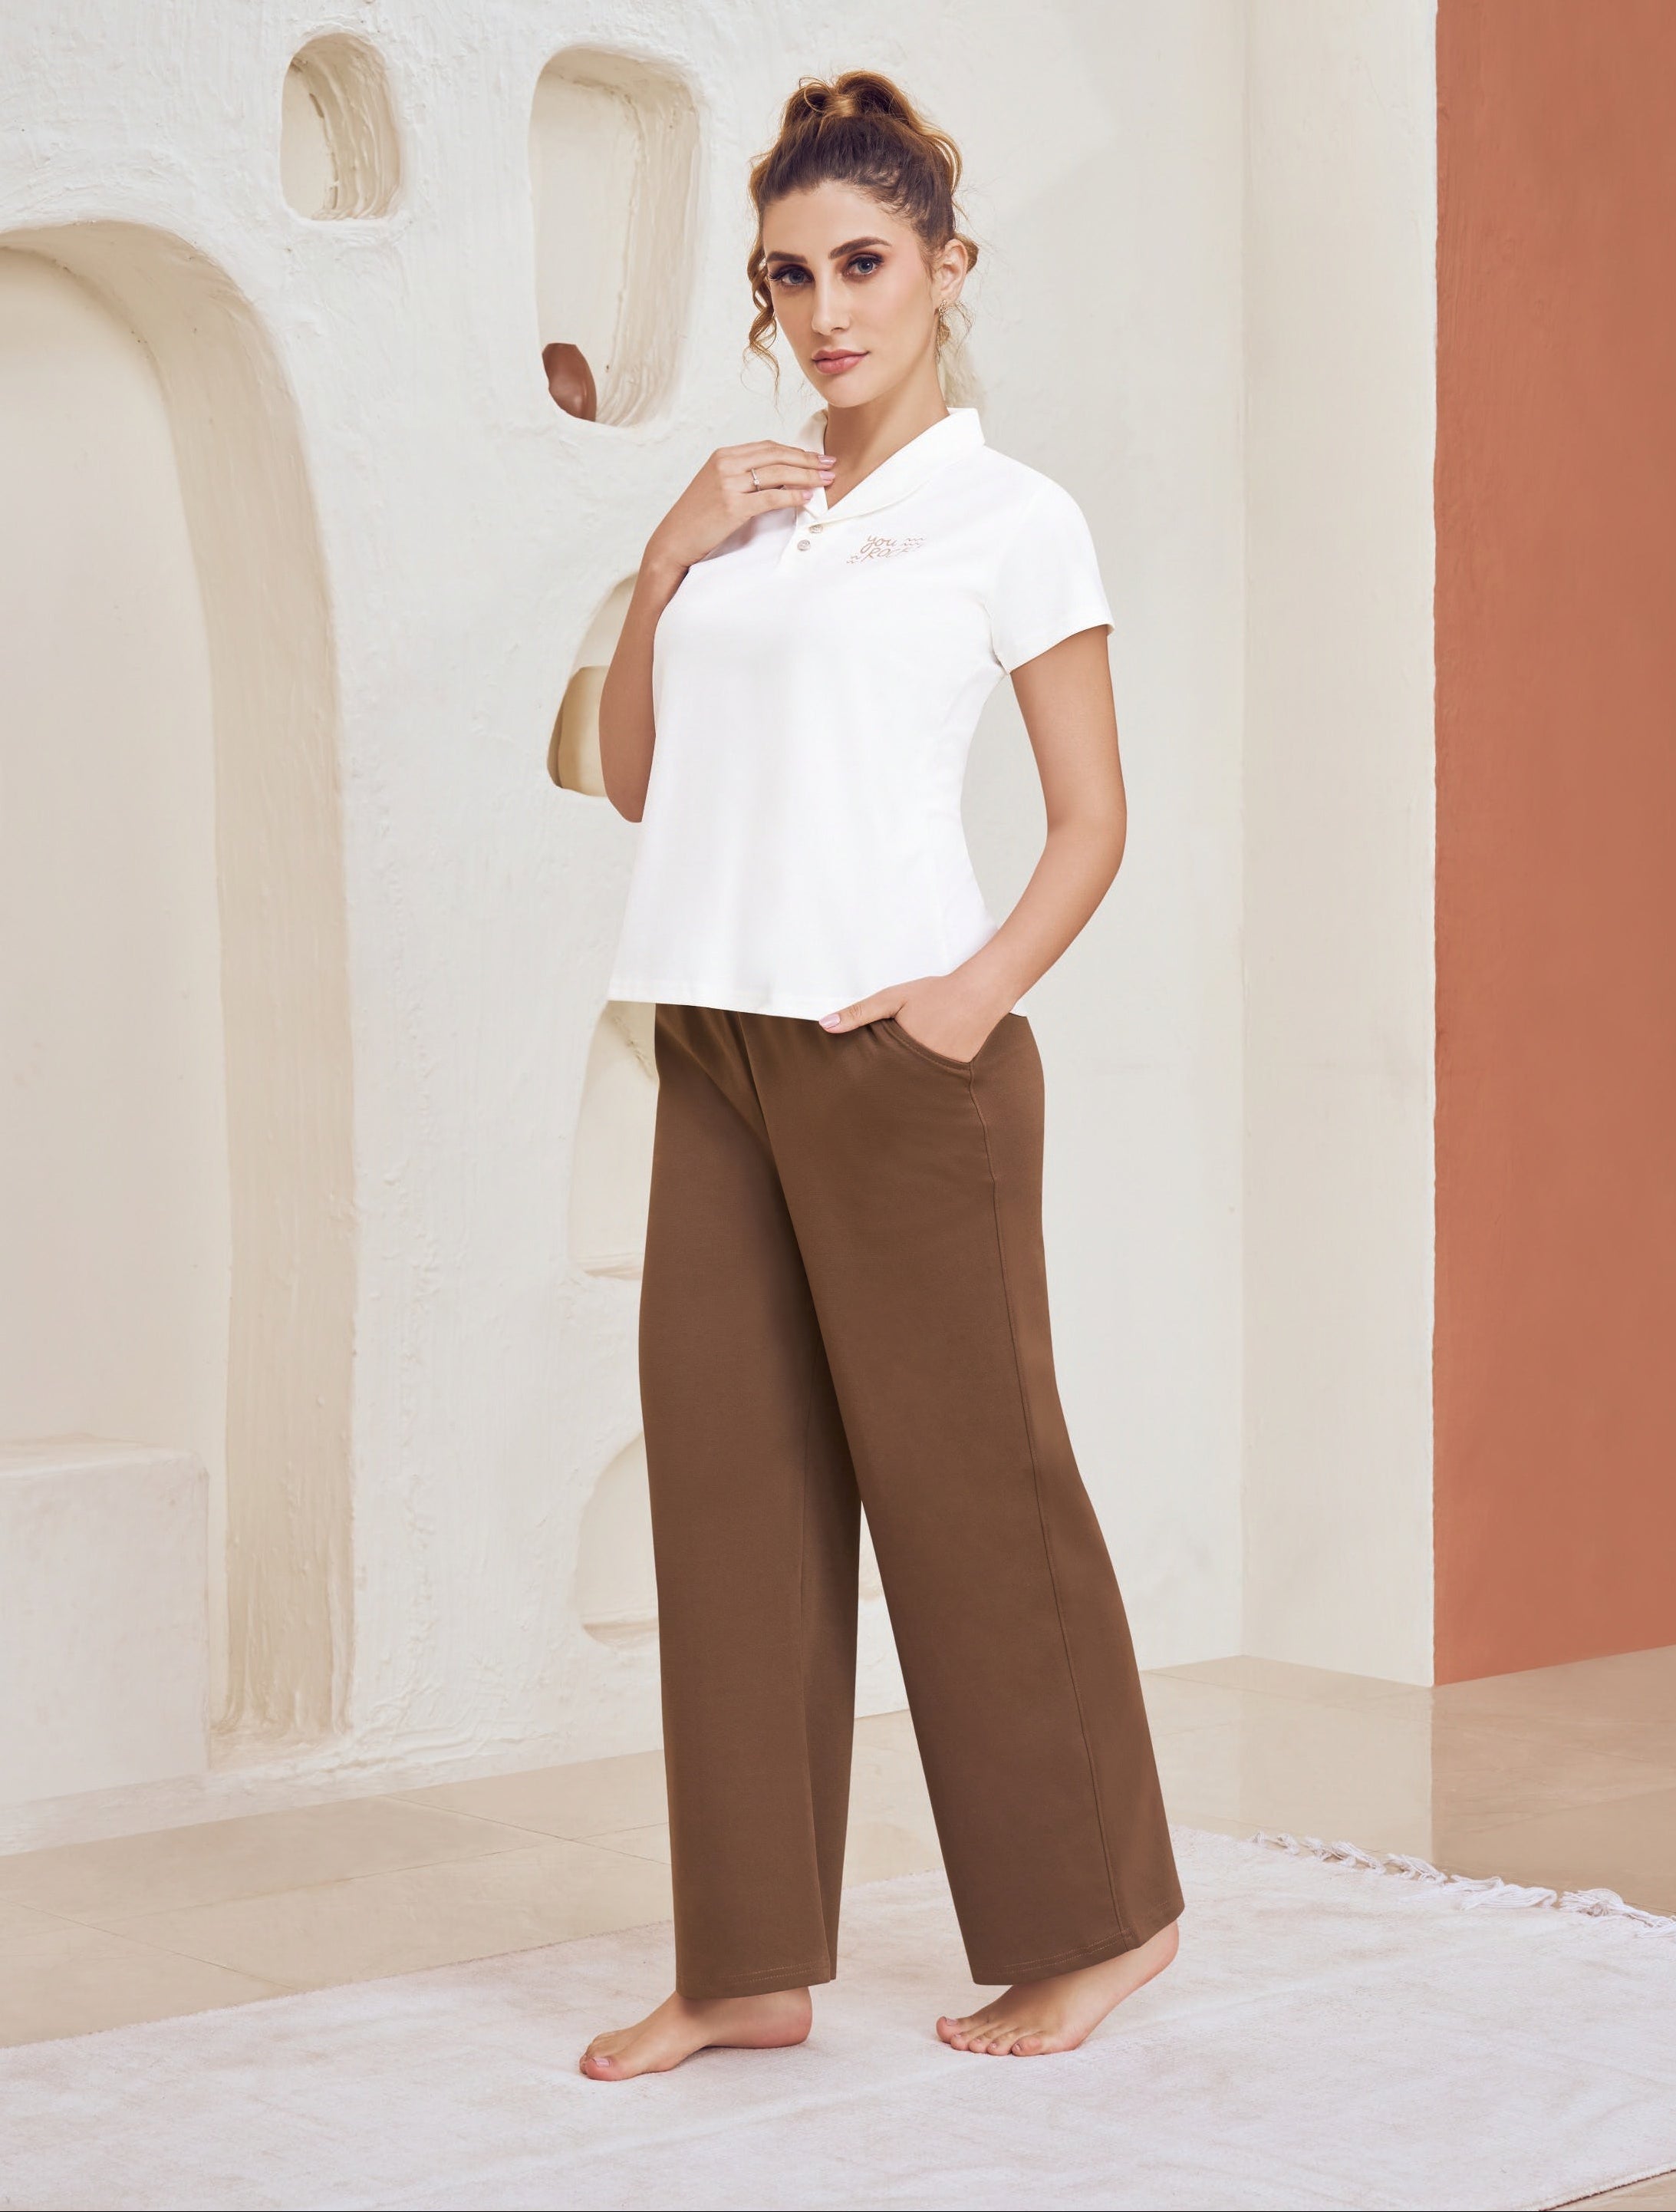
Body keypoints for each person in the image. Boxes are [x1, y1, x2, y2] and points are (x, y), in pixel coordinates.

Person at [575, 69, 1182, 2082]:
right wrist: (664, 562)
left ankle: (1103, 1916)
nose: (826, 309)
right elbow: (645, 782)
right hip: (708, 1041)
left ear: (942, 266)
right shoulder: (749, 514)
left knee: (970, 1495)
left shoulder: (1009, 516)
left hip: (895, 1062)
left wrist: (967, 993)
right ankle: (745, 1959)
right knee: (732, 1509)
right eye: (788, 276)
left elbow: (1088, 817)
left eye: (861, 263)